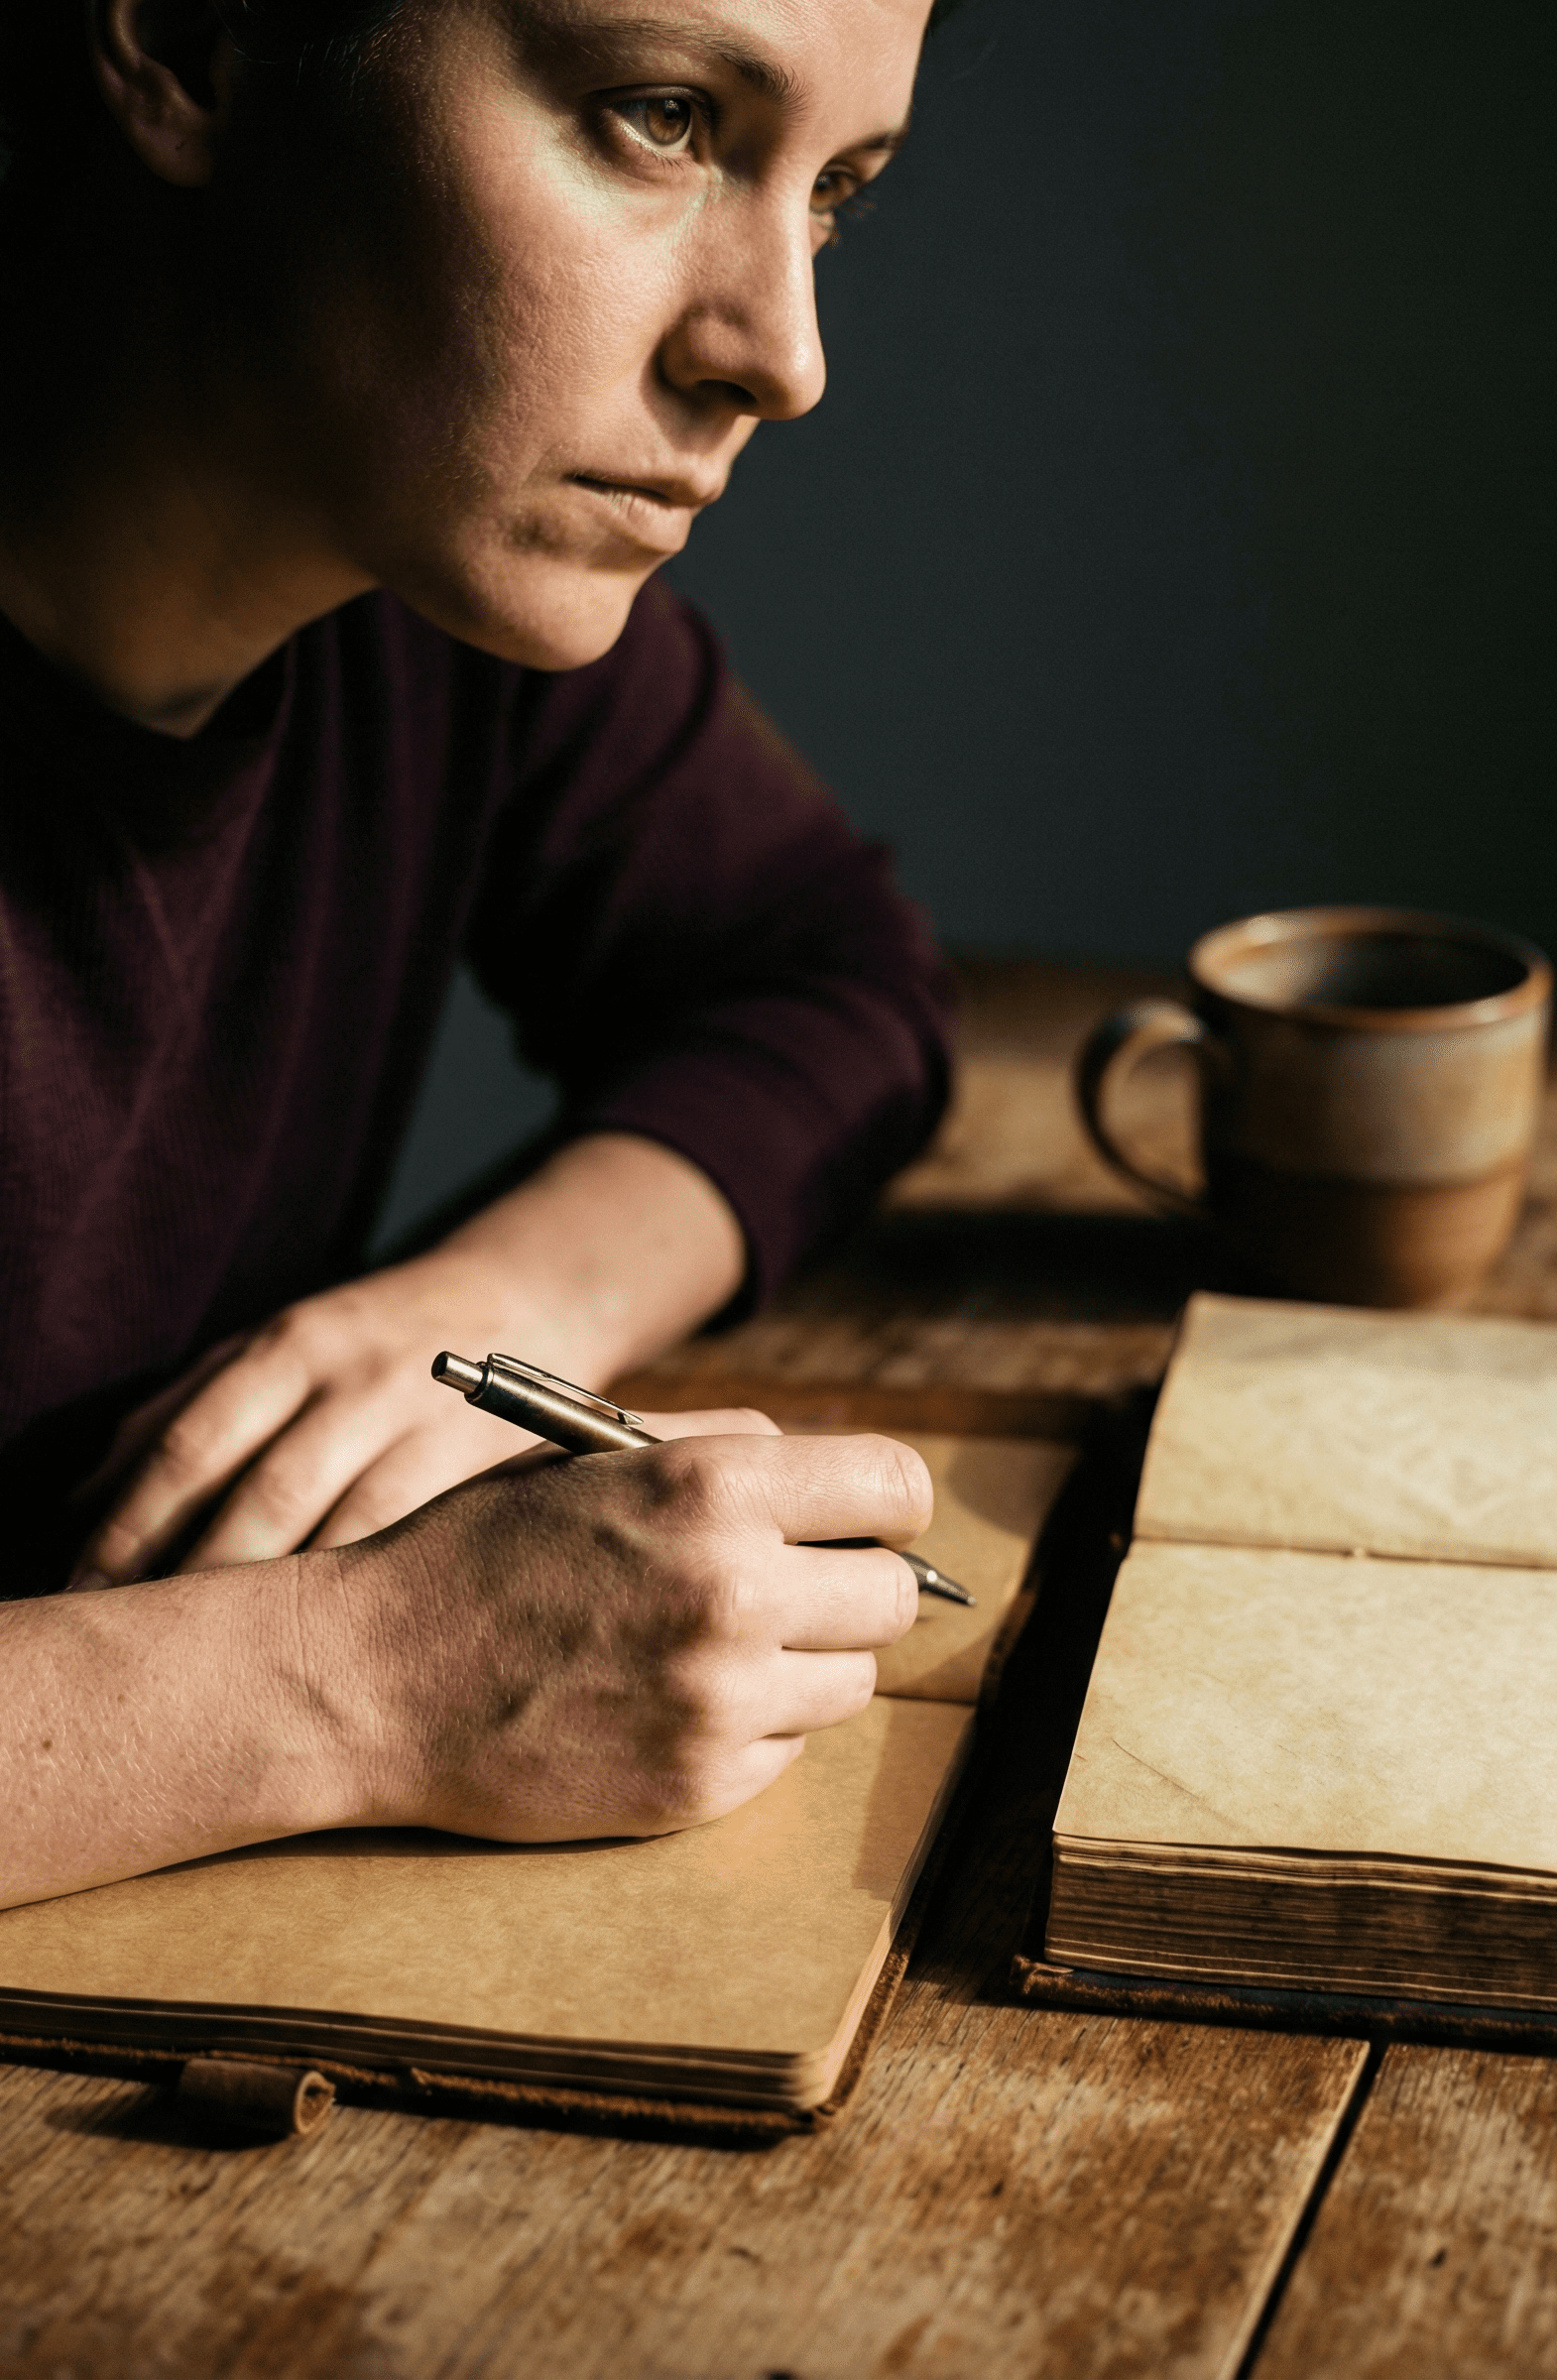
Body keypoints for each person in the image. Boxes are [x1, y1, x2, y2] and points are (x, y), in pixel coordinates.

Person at [0, 0, 951, 1910]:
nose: (780, 355)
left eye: (835, 192)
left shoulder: (418, 585)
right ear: (192, 42)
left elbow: (829, 980)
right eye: (662, 118)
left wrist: (493, 1319)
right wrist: (365, 1676)